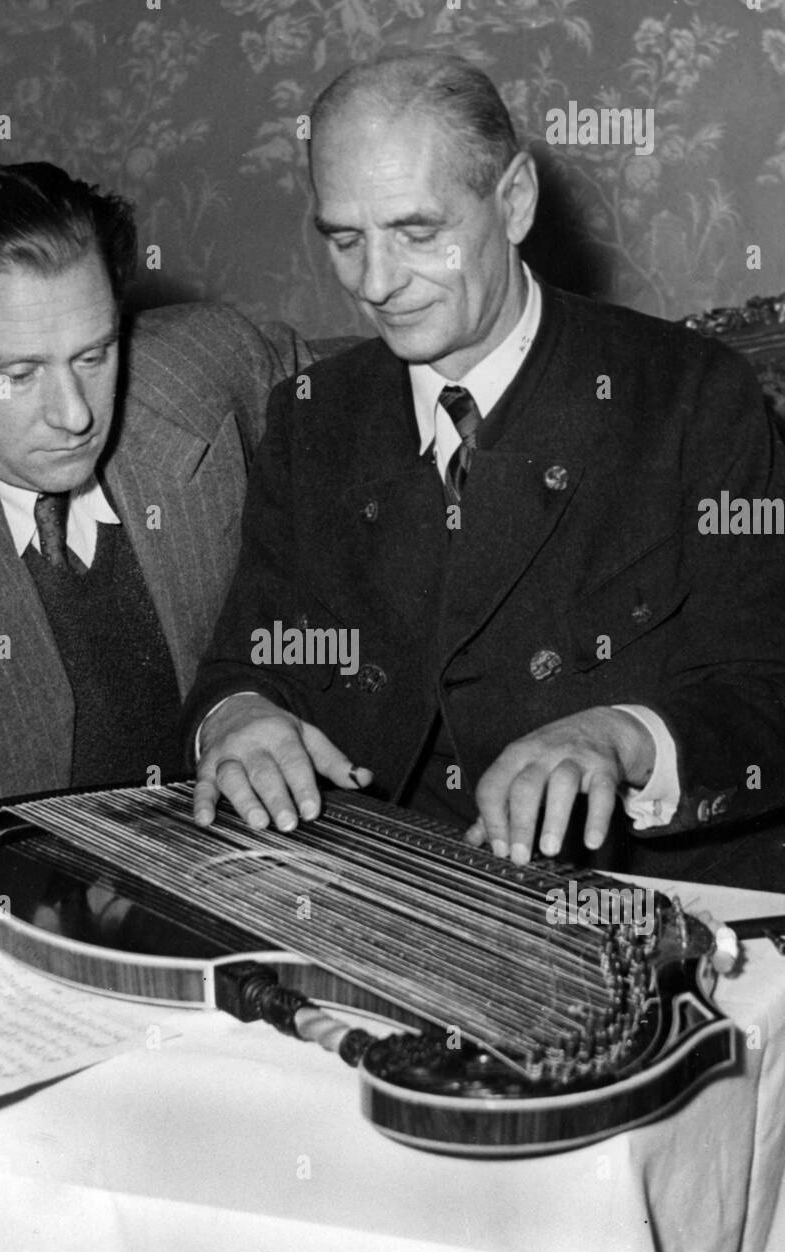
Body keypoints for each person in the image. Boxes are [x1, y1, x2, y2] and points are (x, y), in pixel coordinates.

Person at [186, 53, 785, 889]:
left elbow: (765, 691)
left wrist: (622, 736)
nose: (377, 284)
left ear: (513, 202)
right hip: (392, 894)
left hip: (645, 890)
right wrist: (238, 716)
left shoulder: (690, 398)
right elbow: (249, 658)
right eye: (345, 240)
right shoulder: (312, 414)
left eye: (417, 233)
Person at [0, 161, 314, 894]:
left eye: (94, 354)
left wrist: (260, 693)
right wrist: (133, 886)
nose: (76, 414)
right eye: (19, 373)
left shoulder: (210, 366)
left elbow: (389, 422)